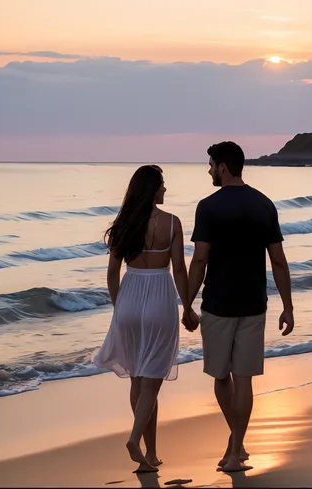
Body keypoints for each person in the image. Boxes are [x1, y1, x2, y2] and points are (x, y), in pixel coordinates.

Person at [183, 141, 295, 473]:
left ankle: (235, 447)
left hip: (218, 303)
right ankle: (236, 447)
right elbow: (278, 261)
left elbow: (200, 258)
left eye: (211, 165)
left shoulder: (208, 207)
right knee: (243, 377)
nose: (209, 171)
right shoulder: (264, 204)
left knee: (221, 377)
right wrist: (288, 306)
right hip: (253, 302)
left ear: (223, 167)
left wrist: (187, 303)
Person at [93, 164, 197, 473]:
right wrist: (188, 306)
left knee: (138, 379)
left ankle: (150, 456)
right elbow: (179, 268)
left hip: (129, 300)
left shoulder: (124, 223)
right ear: (152, 189)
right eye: (162, 185)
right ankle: (135, 440)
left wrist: (119, 307)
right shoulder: (172, 223)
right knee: (152, 381)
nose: (165, 189)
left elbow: (112, 273)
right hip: (158, 298)